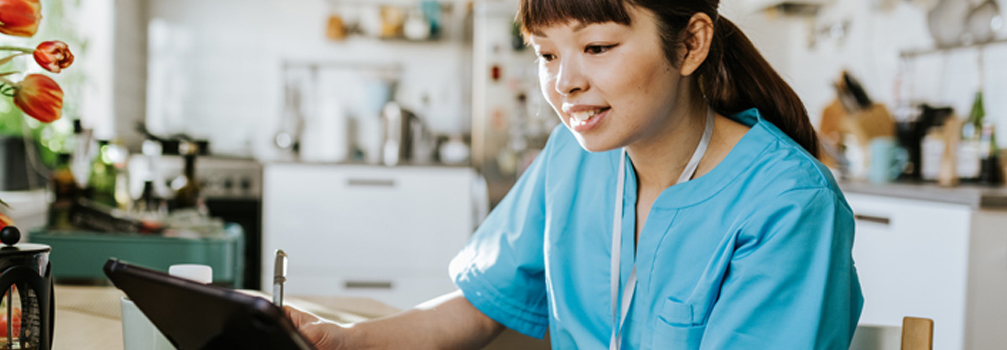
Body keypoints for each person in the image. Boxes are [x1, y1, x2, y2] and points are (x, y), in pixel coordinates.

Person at [285, 0, 864, 348]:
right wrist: (344, 341)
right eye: (545, 54)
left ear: (690, 44)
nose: (564, 83)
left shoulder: (787, 205)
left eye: (598, 46)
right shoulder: (572, 159)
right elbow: (481, 306)